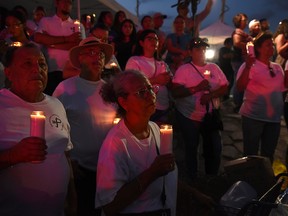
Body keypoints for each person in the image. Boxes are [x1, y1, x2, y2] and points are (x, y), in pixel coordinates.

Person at [95, 70, 215, 215]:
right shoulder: (116, 145)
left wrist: (195, 194)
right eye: (141, 92)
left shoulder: (156, 130)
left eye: (151, 89)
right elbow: (109, 206)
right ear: (123, 102)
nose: (150, 95)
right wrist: (152, 172)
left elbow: (166, 175)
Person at [0, 42, 73, 215]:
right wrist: (13, 156)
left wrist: (72, 198)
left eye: (41, 64)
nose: (37, 69)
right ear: (9, 73)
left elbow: (65, 154)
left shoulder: (56, 105)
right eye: (27, 64)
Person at [53, 37, 116, 216]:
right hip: (79, 169)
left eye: (101, 53)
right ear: (80, 58)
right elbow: (55, 129)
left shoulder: (110, 90)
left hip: (107, 168)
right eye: (91, 52)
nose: (97, 57)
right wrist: (67, 161)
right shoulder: (65, 89)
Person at [171, 38, 228, 179]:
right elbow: (176, 93)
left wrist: (211, 95)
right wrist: (197, 88)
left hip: (210, 115)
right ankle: (193, 176)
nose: (202, 52)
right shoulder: (184, 70)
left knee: (215, 147)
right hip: (188, 116)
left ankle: (212, 177)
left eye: (203, 49)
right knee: (191, 147)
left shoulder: (214, 68)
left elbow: (225, 86)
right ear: (190, 52)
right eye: (197, 49)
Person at [236, 32, 288, 162]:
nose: (272, 47)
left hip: (274, 119)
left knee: (268, 155)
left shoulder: (277, 68)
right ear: (258, 48)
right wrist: (247, 66)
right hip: (253, 117)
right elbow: (240, 87)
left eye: (272, 45)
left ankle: (265, 181)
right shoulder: (250, 66)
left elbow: (282, 90)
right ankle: (249, 180)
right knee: (251, 154)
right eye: (268, 45)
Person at [34, 0, 85, 96]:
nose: (67, 4)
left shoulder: (77, 25)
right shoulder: (46, 21)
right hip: (50, 72)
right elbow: (38, 37)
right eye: (64, 1)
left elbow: (79, 46)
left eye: (69, 2)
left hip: (71, 73)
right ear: (57, 3)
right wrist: (68, 39)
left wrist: (50, 43)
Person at [126, 29, 172, 124]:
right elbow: (131, 84)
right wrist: (156, 80)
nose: (154, 41)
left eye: (156, 39)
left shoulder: (161, 63)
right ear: (141, 43)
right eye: (150, 39)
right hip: (144, 107)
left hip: (163, 106)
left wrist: (169, 80)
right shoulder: (134, 61)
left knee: (161, 137)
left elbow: (171, 82)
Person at [231, 13, 252, 113]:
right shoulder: (237, 32)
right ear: (239, 21)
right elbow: (237, 43)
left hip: (241, 59)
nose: (246, 22)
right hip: (239, 59)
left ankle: (239, 103)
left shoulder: (241, 32)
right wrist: (250, 45)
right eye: (244, 20)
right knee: (239, 80)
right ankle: (238, 103)